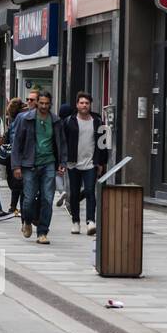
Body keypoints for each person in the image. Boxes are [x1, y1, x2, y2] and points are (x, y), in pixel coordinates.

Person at [10, 90, 67, 244]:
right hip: (29, 164)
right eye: (41, 103)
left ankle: (42, 232)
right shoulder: (25, 119)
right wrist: (16, 166)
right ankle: (27, 221)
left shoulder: (55, 121)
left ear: (50, 104)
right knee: (28, 199)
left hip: (48, 163)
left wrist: (62, 163)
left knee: (47, 199)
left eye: (46, 103)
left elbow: (61, 143)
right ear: (36, 103)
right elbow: (17, 144)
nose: (43, 106)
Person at [63, 92, 108, 236]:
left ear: (90, 105)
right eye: (81, 103)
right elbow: (63, 142)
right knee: (75, 194)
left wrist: (101, 162)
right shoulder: (69, 121)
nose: (84, 105)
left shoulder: (98, 121)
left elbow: (103, 144)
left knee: (89, 191)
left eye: (87, 103)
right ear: (77, 105)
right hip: (73, 163)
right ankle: (75, 222)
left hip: (91, 163)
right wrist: (62, 160)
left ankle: (90, 222)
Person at [1, 97, 25, 219]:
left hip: (16, 155)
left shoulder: (17, 120)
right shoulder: (16, 119)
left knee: (16, 182)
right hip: (17, 155)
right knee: (17, 182)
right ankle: (15, 206)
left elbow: (15, 138)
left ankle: (14, 207)